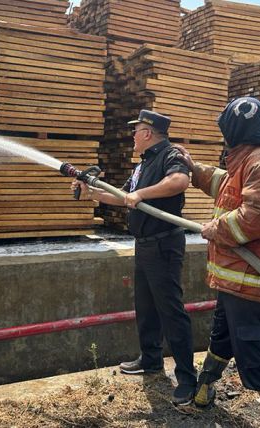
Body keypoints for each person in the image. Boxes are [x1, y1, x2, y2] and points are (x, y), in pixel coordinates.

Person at [176, 97, 260, 427]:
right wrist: (194, 168)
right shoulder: (248, 159)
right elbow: (226, 187)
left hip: (252, 279)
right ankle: (203, 395)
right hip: (236, 278)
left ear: (235, 129)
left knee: (252, 356)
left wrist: (215, 228)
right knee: (222, 338)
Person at [72, 110, 197, 406]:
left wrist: (141, 194)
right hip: (144, 245)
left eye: (136, 130)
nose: (132, 135)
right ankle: (151, 359)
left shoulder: (170, 154)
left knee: (171, 311)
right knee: (146, 305)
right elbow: (123, 195)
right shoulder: (144, 164)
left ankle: (188, 379)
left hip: (164, 245)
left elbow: (180, 181)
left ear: (148, 133)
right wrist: (92, 195)